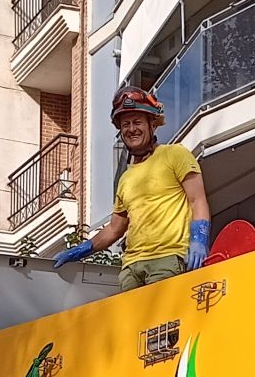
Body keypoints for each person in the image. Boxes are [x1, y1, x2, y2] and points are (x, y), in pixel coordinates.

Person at [54, 87, 210, 291]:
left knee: (161, 322)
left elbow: (196, 200)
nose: (131, 129)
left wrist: (199, 239)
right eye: (125, 124)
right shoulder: (126, 178)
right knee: (134, 323)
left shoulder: (175, 154)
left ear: (152, 124)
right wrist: (80, 250)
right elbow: (114, 229)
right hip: (130, 268)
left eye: (137, 122)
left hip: (167, 260)